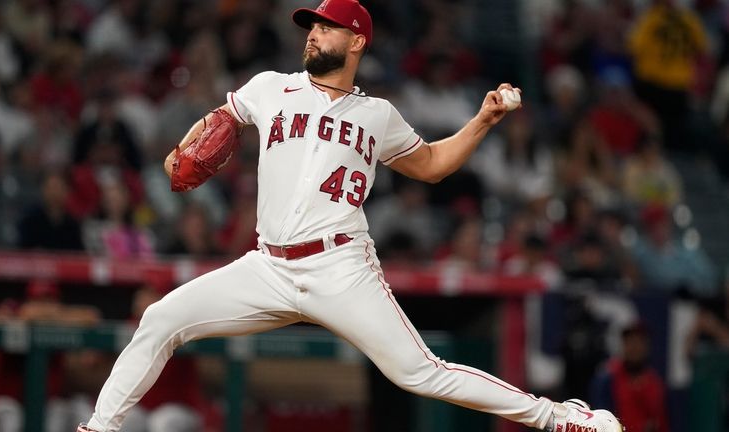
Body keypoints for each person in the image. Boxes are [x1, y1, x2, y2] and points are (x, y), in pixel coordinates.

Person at [77, 1, 623, 431]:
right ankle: (100, 428)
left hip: (339, 266)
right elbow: (220, 119)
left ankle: (561, 417)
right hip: (266, 267)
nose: (313, 34)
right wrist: (182, 147)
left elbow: (432, 165)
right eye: (311, 26)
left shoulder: (377, 114)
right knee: (160, 320)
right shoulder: (271, 86)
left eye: (327, 27)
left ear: (357, 40)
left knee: (419, 373)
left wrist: (481, 121)